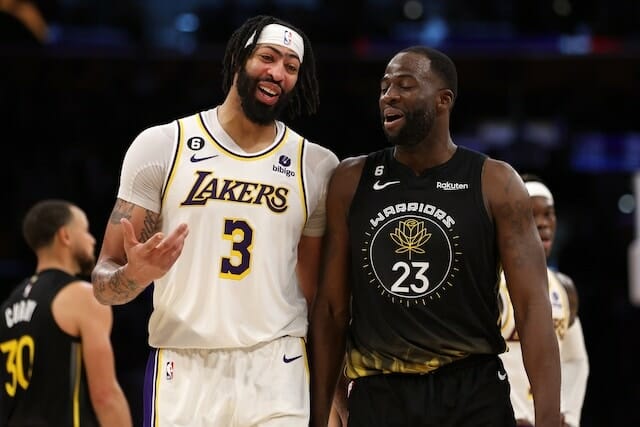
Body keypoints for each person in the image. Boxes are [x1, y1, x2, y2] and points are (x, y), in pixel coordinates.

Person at [90, 14, 339, 426]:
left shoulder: (314, 165)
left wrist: (333, 389)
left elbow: (317, 296)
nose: (278, 73)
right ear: (239, 59)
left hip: (278, 365)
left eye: (291, 66)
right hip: (184, 364)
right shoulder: (162, 146)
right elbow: (103, 284)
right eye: (267, 57)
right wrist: (134, 275)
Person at [308, 45, 562, 427]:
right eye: (384, 87)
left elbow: (532, 308)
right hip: (381, 394)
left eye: (405, 85)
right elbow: (331, 309)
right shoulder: (350, 179)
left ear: (443, 100)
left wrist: (548, 419)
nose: (389, 95)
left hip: (472, 391)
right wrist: (318, 415)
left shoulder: (496, 182)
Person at [0, 199, 132, 426]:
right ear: (65, 236)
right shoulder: (83, 297)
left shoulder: (8, 306)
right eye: (86, 230)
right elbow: (105, 397)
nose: (92, 239)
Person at [499, 174, 589, 427]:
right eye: (531, 214)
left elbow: (574, 360)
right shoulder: (491, 285)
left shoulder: (564, 288)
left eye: (548, 214)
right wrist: (510, 413)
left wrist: (568, 415)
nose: (542, 223)